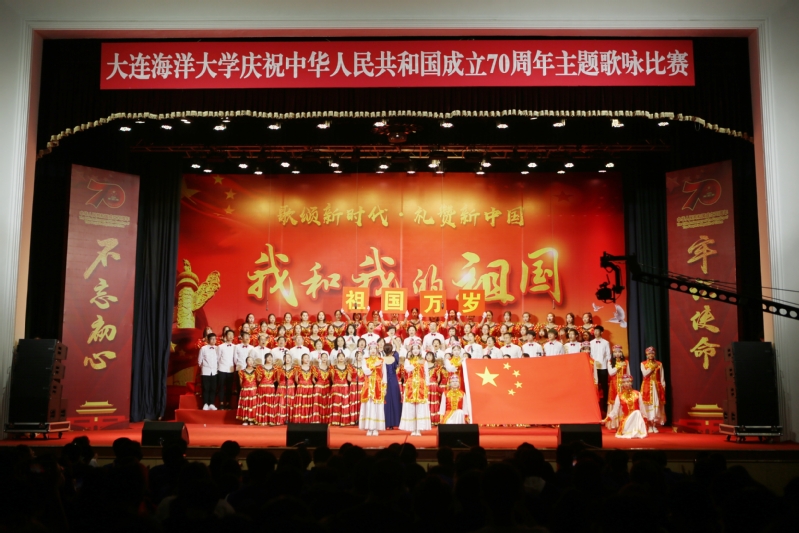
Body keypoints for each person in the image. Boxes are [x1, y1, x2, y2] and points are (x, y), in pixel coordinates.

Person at [399, 343, 432, 436]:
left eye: (417, 349)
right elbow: (408, 369)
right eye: (413, 349)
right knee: (410, 407)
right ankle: (412, 428)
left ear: (420, 350)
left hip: (421, 385)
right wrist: (417, 363)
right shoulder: (408, 360)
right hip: (411, 385)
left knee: (420, 407)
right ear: (411, 350)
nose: (415, 350)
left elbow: (426, 374)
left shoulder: (424, 361)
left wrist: (427, 385)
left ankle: (419, 428)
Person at [604, 375, 647, 439]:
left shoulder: (637, 394)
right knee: (637, 413)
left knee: (637, 412)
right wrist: (607, 419)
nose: (626, 384)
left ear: (631, 383)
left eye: (628, 382)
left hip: (637, 419)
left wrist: (645, 418)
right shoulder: (619, 395)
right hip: (626, 419)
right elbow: (615, 410)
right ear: (622, 384)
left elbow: (642, 408)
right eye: (624, 382)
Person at [360, 344, 387, 436]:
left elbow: (384, 374)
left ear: (377, 350)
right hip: (368, 385)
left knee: (377, 406)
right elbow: (366, 372)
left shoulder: (382, 360)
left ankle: (376, 428)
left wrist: (385, 387)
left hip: (378, 386)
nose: (373, 350)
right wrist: (374, 365)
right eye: (371, 348)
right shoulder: (365, 360)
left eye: (374, 348)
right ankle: (369, 427)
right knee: (369, 406)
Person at [640, 347, 666, 432]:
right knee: (648, 405)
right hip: (647, 386)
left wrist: (663, 387)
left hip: (657, 386)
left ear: (654, 354)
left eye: (652, 353)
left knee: (657, 405)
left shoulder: (659, 364)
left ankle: (654, 425)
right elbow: (645, 374)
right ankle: (649, 425)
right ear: (646, 354)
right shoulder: (643, 364)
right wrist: (652, 368)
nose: (651, 355)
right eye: (649, 353)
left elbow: (662, 377)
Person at [605, 345, 630, 429]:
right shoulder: (610, 362)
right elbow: (611, 373)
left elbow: (628, 374)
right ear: (613, 353)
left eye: (619, 352)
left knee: (624, 402)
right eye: (615, 352)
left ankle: (624, 423)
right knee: (614, 402)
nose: (617, 353)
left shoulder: (626, 362)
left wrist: (628, 384)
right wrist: (618, 366)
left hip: (624, 385)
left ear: (621, 352)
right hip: (614, 385)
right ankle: (614, 424)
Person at [590, 325, 612, 415]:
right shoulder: (591, 343)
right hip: (594, 368)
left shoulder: (606, 343)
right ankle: (595, 407)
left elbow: (608, 355)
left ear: (601, 332)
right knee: (594, 387)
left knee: (604, 387)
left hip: (603, 368)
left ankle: (605, 408)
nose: (595, 332)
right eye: (594, 331)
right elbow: (590, 355)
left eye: (597, 331)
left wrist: (606, 365)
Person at [256, 353, 280, 426]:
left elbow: (276, 378)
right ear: (265, 358)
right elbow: (258, 379)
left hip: (271, 388)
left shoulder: (275, 368)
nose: (270, 358)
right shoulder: (260, 368)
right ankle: (262, 420)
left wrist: (270, 382)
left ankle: (271, 420)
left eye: (271, 357)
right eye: (268, 357)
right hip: (262, 388)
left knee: (271, 403)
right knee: (262, 403)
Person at [383, 343, 402, 429]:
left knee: (386, 400)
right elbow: (398, 348)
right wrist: (393, 339)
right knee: (395, 399)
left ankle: (385, 422)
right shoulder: (395, 357)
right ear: (391, 350)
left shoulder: (382, 359)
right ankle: (395, 422)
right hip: (394, 380)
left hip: (385, 380)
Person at [292, 353, 315, 423]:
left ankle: (309, 419)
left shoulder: (312, 368)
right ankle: (300, 419)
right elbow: (296, 379)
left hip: (310, 388)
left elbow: (313, 379)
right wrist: (301, 384)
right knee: (301, 403)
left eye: (308, 358)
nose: (307, 359)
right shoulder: (298, 368)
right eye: (305, 358)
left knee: (309, 403)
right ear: (302, 359)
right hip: (301, 387)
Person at [329, 351, 351, 426]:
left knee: (344, 403)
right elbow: (332, 378)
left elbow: (348, 377)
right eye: (339, 356)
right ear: (337, 358)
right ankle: (335, 421)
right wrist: (336, 384)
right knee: (336, 403)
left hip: (345, 387)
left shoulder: (348, 367)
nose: (341, 358)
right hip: (336, 387)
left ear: (344, 358)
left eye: (342, 356)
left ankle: (344, 421)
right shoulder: (333, 367)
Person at [217, 329, 237, 410]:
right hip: (221, 369)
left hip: (230, 370)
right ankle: (221, 403)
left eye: (232, 335)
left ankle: (228, 403)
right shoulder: (220, 346)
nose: (231, 336)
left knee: (229, 387)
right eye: (229, 334)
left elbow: (235, 359)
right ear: (225, 336)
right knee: (221, 387)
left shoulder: (235, 347)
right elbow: (218, 358)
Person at [198, 332, 219, 410]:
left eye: (215, 339)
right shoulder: (203, 348)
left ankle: (211, 403)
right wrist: (204, 367)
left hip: (214, 371)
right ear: (208, 340)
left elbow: (218, 359)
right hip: (205, 371)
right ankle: (205, 404)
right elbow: (199, 361)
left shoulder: (217, 349)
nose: (214, 340)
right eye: (212, 339)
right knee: (206, 388)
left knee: (213, 388)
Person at [236, 356, 258, 425]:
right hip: (245, 390)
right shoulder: (242, 371)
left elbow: (258, 380)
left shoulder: (256, 371)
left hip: (253, 390)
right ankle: (245, 419)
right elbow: (241, 382)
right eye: (249, 360)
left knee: (252, 405)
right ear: (246, 362)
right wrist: (244, 388)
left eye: (252, 360)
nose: (250, 362)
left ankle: (252, 420)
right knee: (245, 404)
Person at [311, 353, 332, 424]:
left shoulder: (330, 368)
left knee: (326, 403)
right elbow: (313, 378)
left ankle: (326, 420)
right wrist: (317, 384)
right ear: (320, 358)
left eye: (326, 357)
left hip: (327, 388)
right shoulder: (317, 368)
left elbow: (331, 378)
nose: (324, 358)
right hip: (319, 388)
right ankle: (317, 419)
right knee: (318, 402)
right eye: (323, 357)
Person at [424, 350, 442, 424]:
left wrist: (434, 383)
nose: (428, 357)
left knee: (434, 402)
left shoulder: (436, 366)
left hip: (433, 386)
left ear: (433, 357)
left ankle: (434, 419)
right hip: (425, 386)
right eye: (427, 355)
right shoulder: (422, 365)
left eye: (430, 355)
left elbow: (438, 378)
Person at [349, 350, 365, 425]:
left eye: (361, 355)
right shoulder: (351, 366)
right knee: (354, 402)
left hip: (363, 386)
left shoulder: (365, 366)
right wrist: (354, 382)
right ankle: (354, 419)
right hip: (354, 386)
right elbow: (348, 377)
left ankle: (361, 419)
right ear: (355, 357)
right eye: (358, 355)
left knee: (362, 402)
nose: (359, 357)